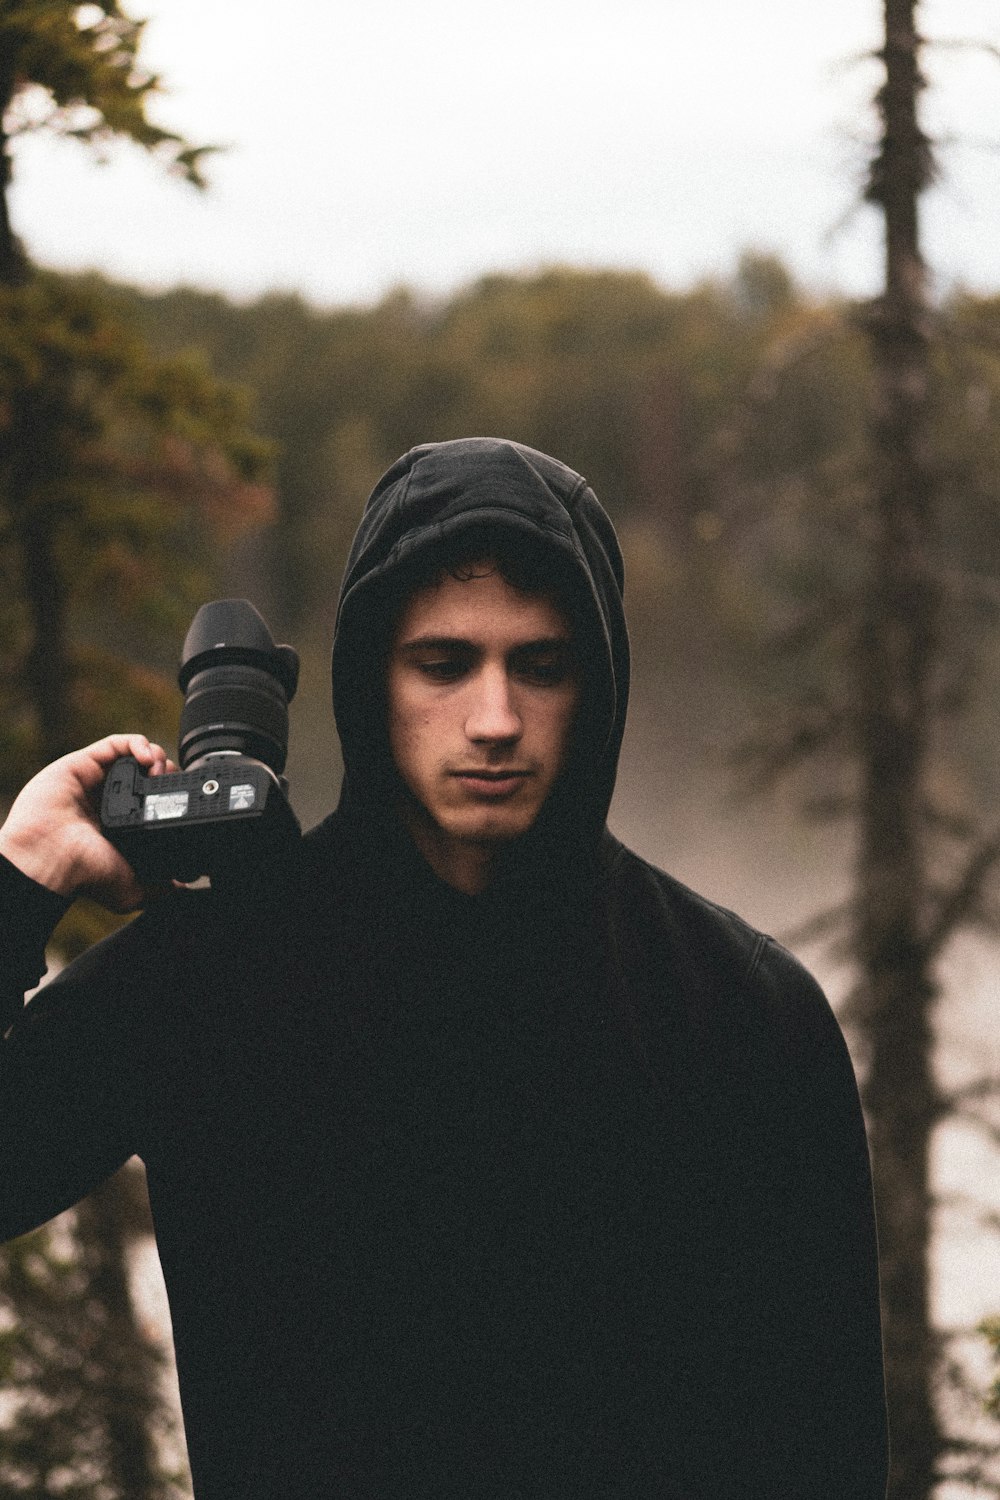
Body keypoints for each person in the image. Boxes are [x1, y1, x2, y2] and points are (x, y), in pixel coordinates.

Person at [0, 437, 888, 1498]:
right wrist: (26, 875)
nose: (496, 719)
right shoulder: (221, 974)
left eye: (542, 664)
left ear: (595, 681)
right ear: (373, 673)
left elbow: (824, 1444)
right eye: (444, 663)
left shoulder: (738, 1007)